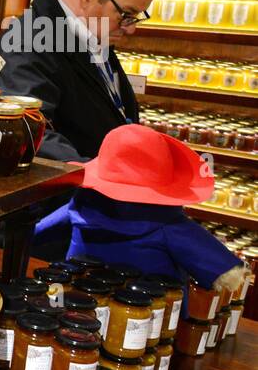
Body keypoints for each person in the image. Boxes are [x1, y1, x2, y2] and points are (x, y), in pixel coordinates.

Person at [34, 124, 245, 293]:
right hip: (151, 302)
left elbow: (39, 231)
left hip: (80, 290)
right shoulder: (167, 225)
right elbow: (218, 265)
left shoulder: (83, 205)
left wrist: (23, 236)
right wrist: (226, 271)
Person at [0, 0, 156, 162]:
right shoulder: (28, 40)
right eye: (126, 15)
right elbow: (28, 128)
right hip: (67, 189)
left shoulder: (91, 31)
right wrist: (96, 174)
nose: (130, 29)